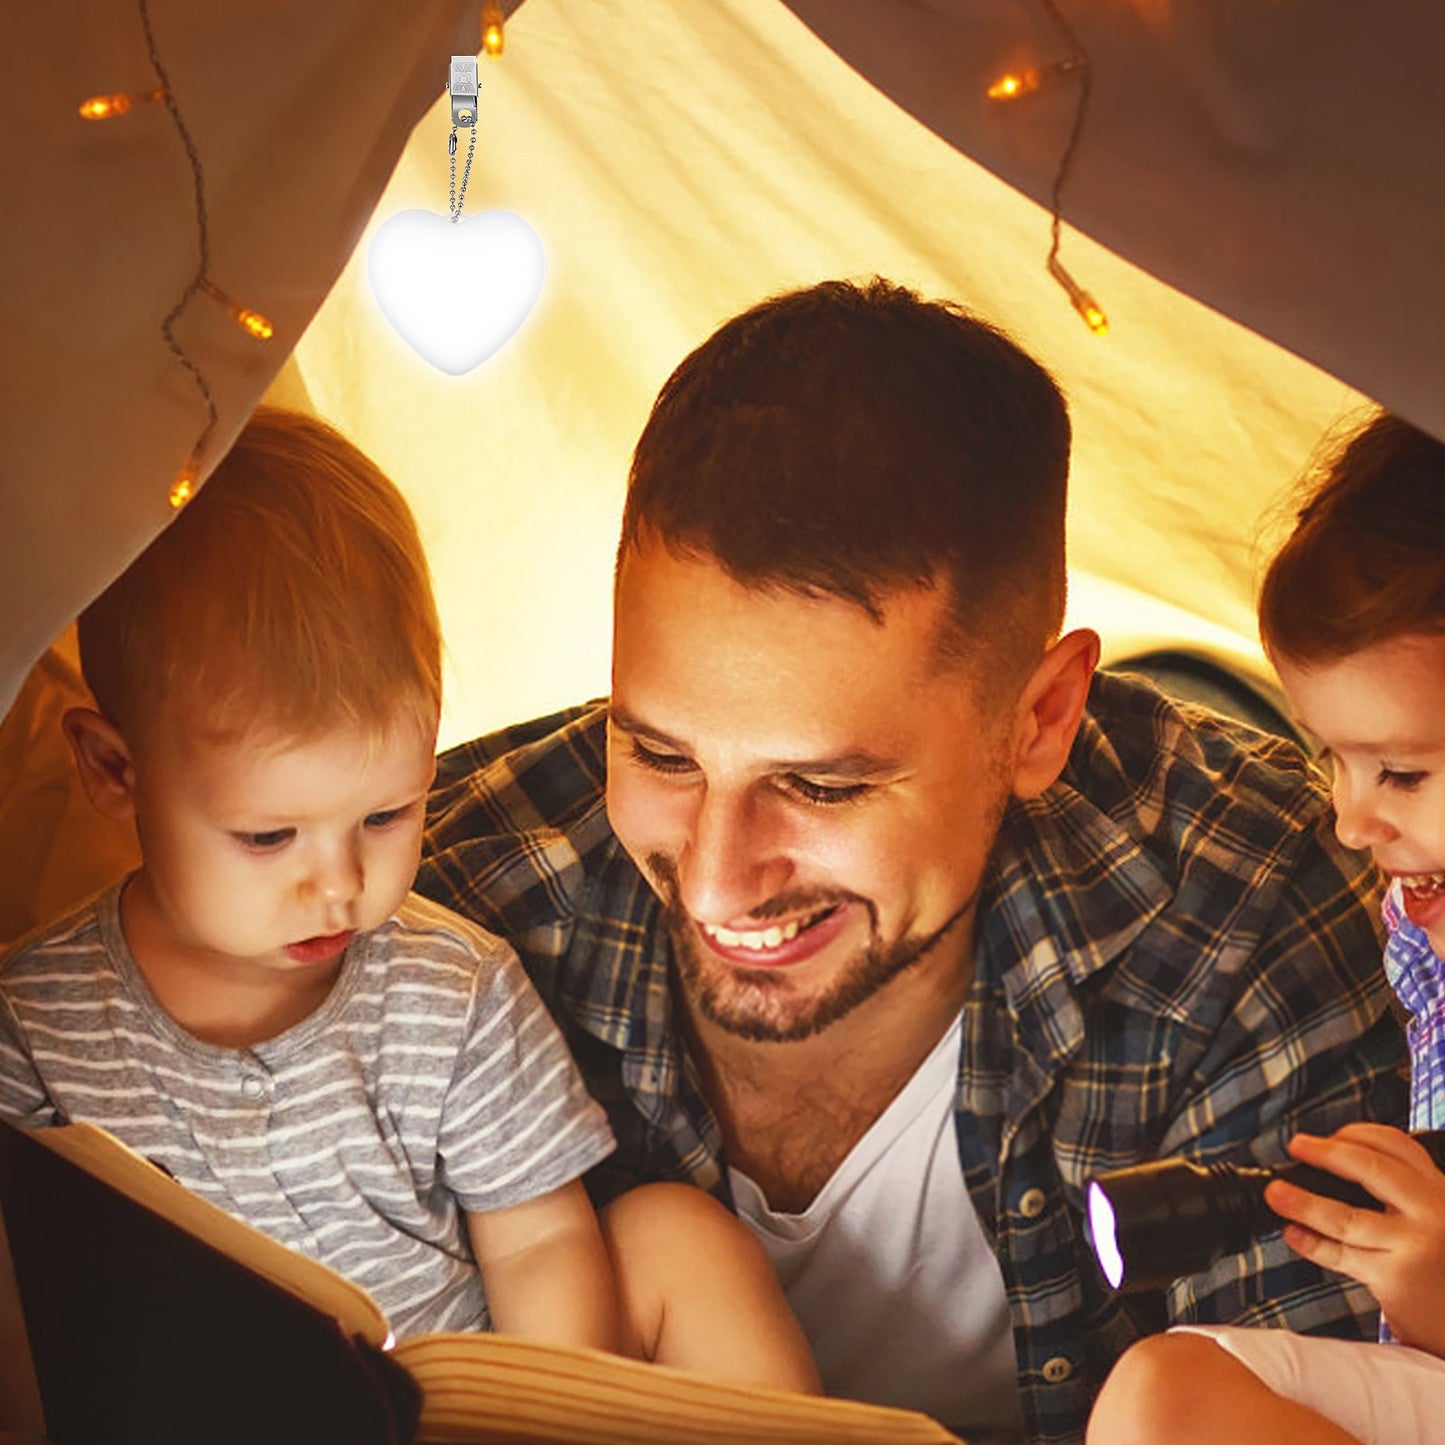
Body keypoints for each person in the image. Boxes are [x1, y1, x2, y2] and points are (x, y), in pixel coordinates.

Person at [418, 277, 1409, 1443]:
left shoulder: (1248, 909)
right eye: (661, 753)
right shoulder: (447, 898)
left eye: (819, 785)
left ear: (1037, 719)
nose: (714, 879)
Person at [0, 407, 818, 1391]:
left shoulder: (450, 987)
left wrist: (534, 1408)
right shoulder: (34, 1023)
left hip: (453, 1396)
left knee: (677, 1236)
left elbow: (535, 1242)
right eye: (269, 836)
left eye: (386, 814)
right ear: (113, 770)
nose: (340, 883)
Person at [1086, 413, 1445, 1445]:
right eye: (1331, 759)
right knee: (1168, 1390)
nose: (1346, 818)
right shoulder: (1413, 930)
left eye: (1402, 773)